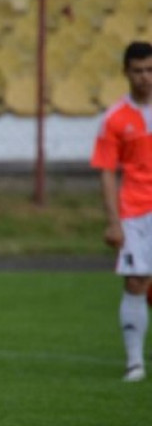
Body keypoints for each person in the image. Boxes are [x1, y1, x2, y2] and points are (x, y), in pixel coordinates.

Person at [91, 40, 152, 383]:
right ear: (126, 73)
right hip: (136, 210)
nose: (145, 77)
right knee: (136, 281)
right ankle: (135, 363)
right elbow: (106, 171)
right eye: (138, 71)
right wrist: (114, 222)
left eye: (150, 70)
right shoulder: (115, 118)